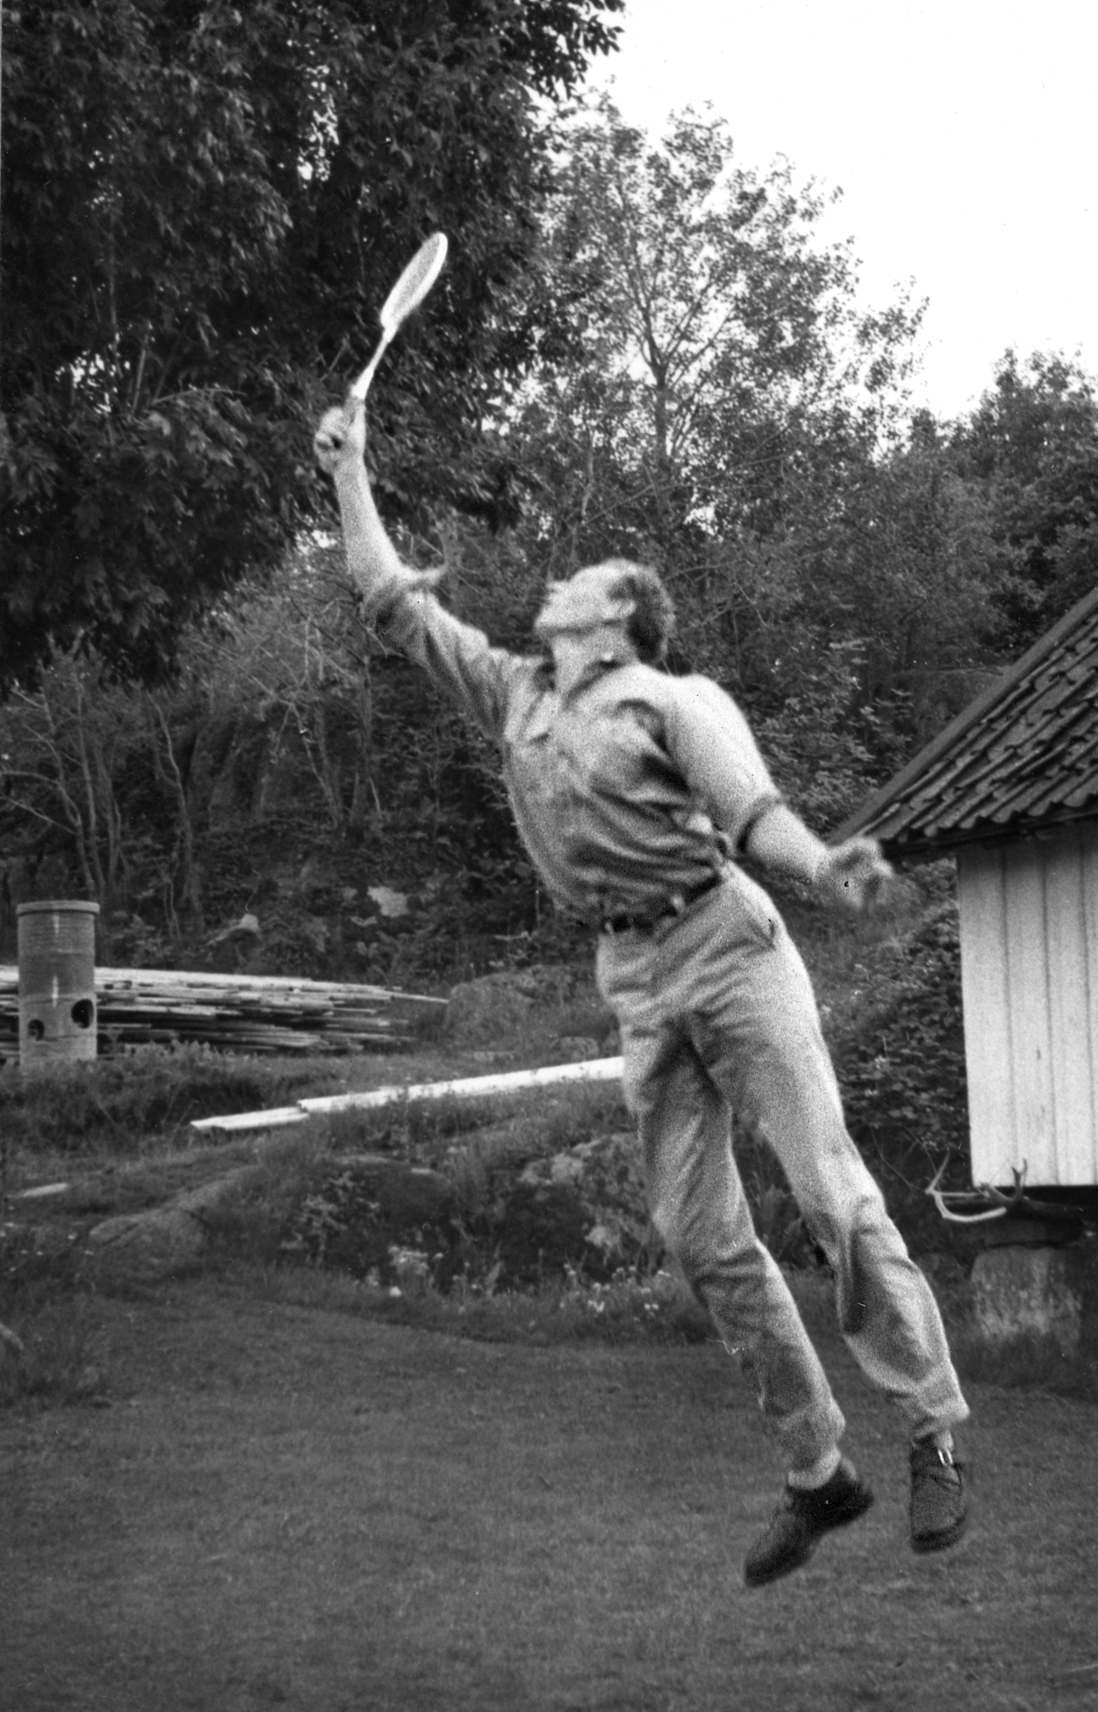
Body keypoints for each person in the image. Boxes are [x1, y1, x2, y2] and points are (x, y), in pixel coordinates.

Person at [313, 398, 970, 1589]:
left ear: (618, 617)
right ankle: (820, 1469)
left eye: (585, 577)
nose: (559, 580)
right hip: (634, 976)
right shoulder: (515, 691)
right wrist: (351, 471)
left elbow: (752, 813)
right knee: (697, 1232)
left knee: (829, 1191)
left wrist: (823, 864)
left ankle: (931, 1424)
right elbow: (391, 601)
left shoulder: (675, 699)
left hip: (730, 944)